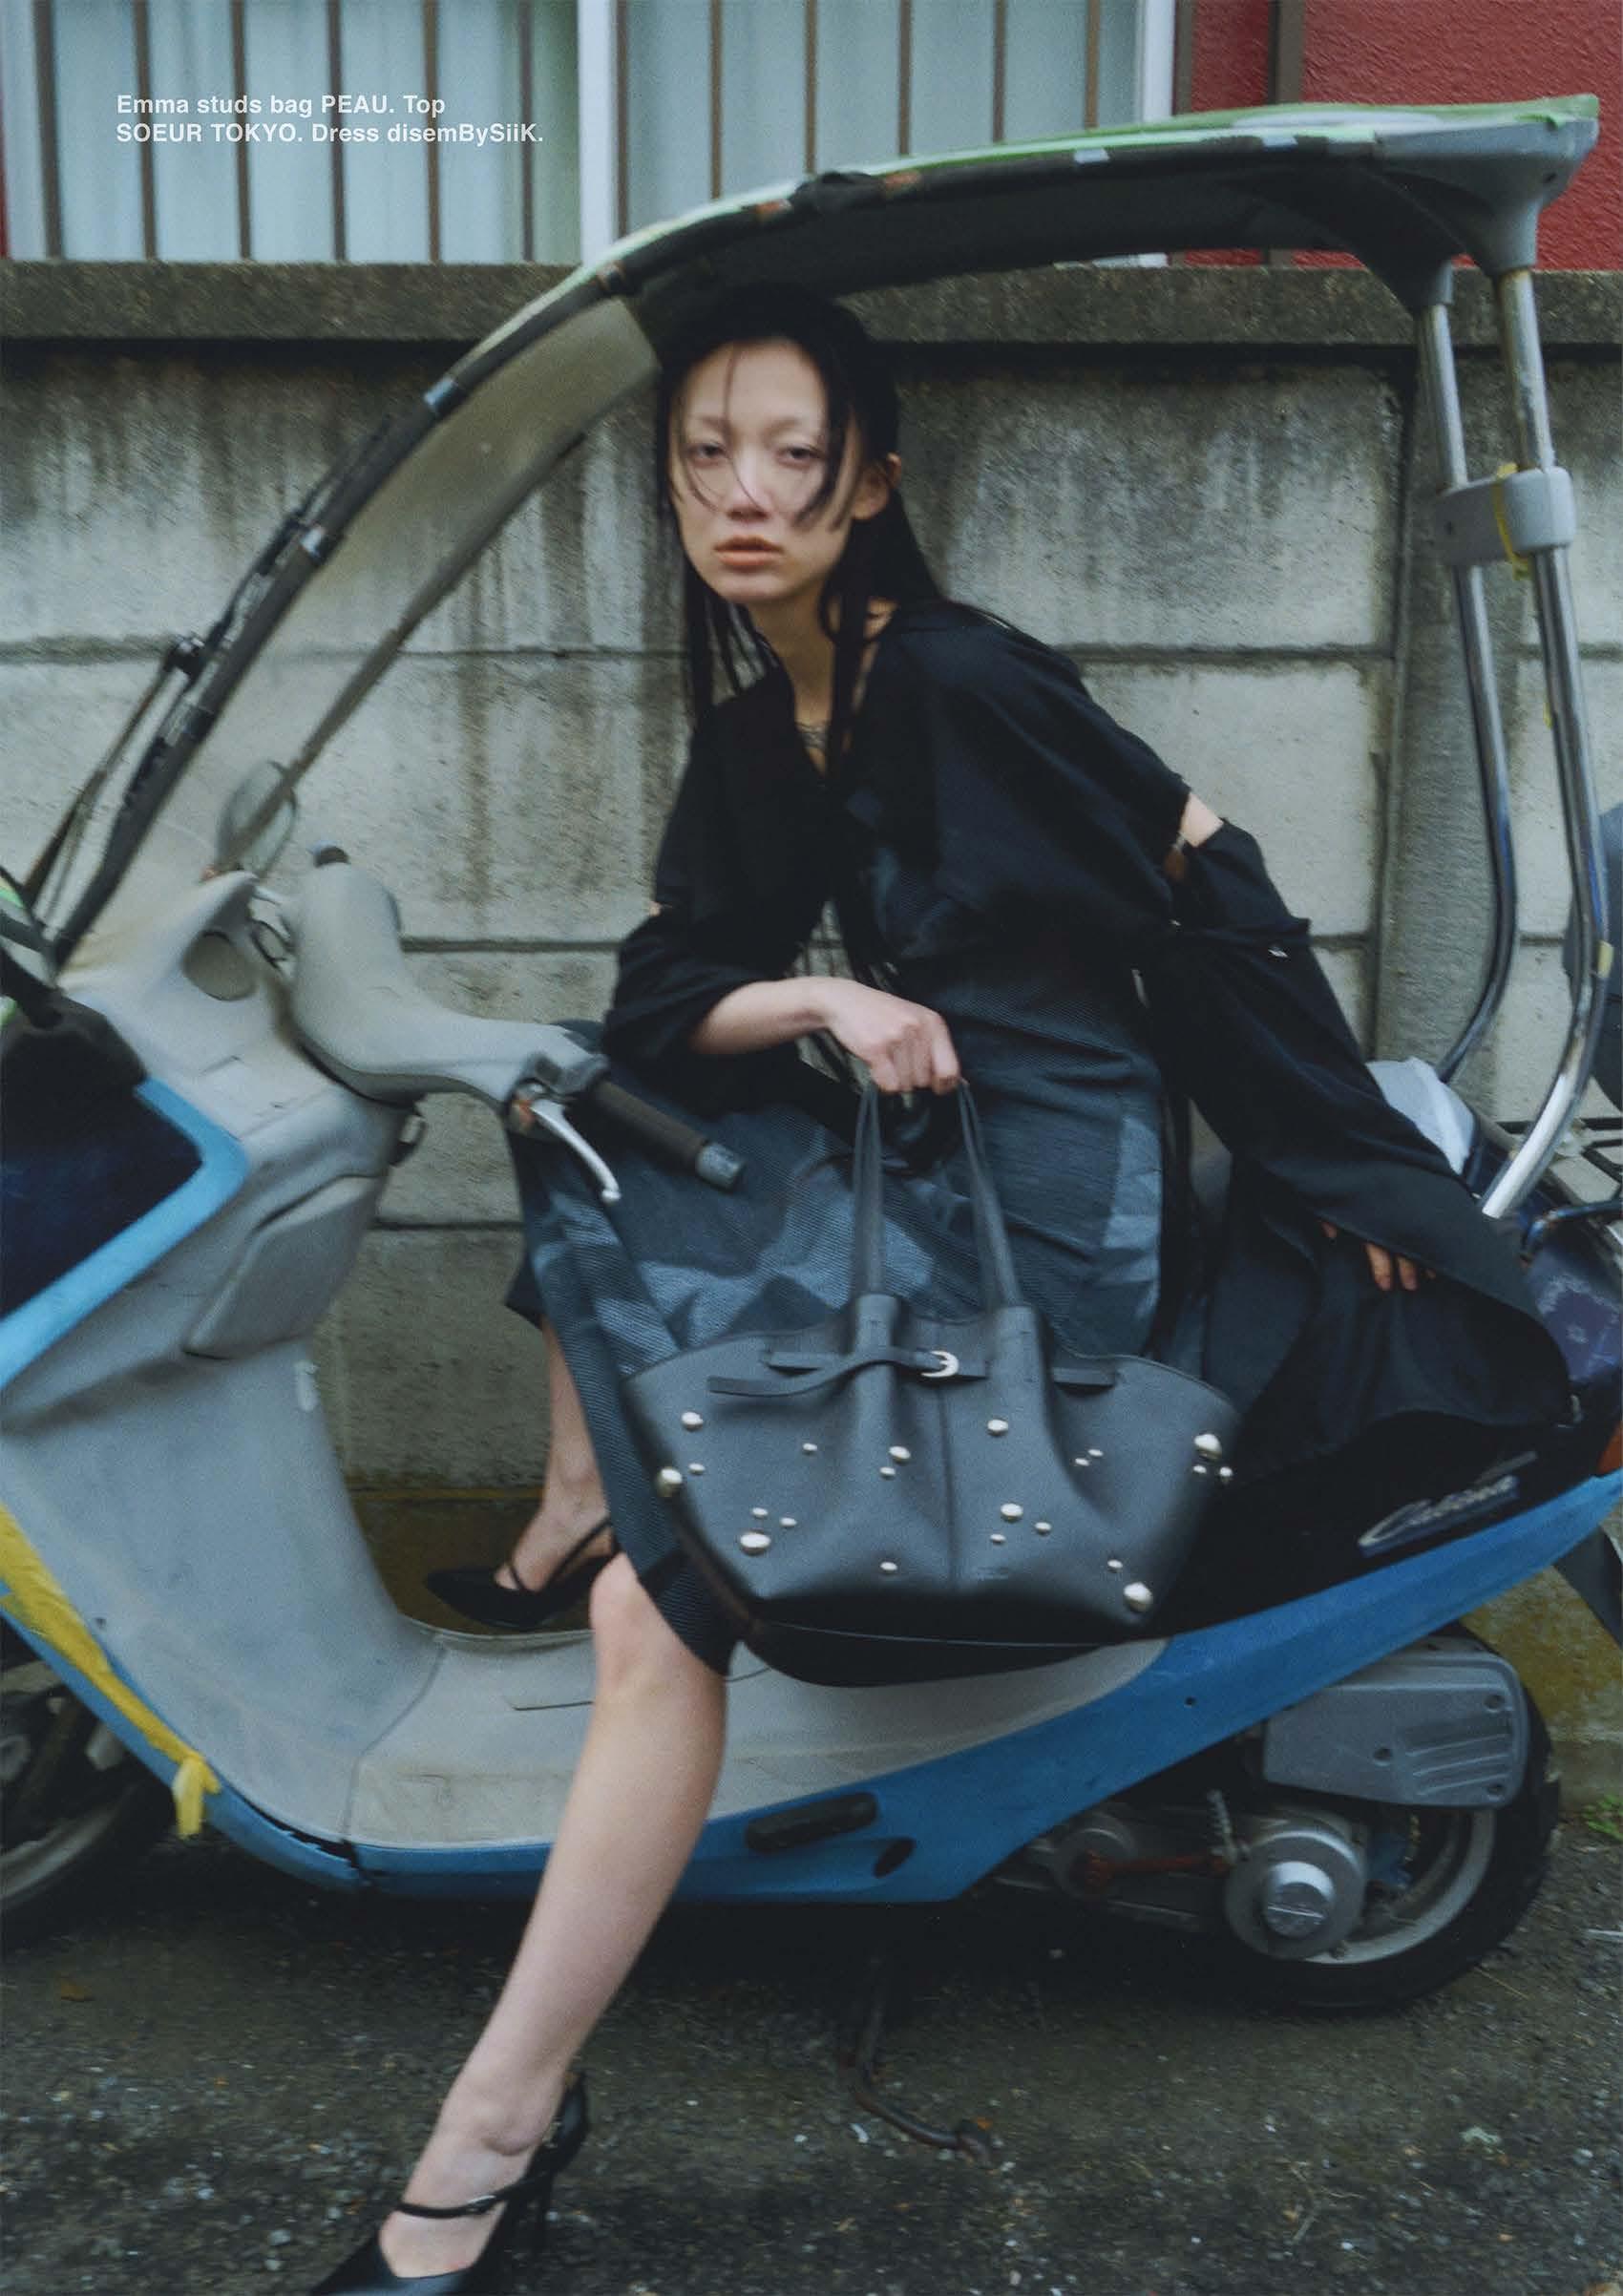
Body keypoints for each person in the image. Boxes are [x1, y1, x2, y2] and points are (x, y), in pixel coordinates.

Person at [311, 284, 1569, 2293]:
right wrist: (822, 996)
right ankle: (575, 1502)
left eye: (790, 456)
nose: (744, 493)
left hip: (1050, 1205)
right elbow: (669, 982)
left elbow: (1209, 880)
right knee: (588, 1103)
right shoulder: (767, 719)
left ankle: (482, 2146)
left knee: (667, 1608)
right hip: (927, 1147)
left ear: (868, 483)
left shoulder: (955, 679)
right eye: (705, 456)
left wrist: (1347, 1164)